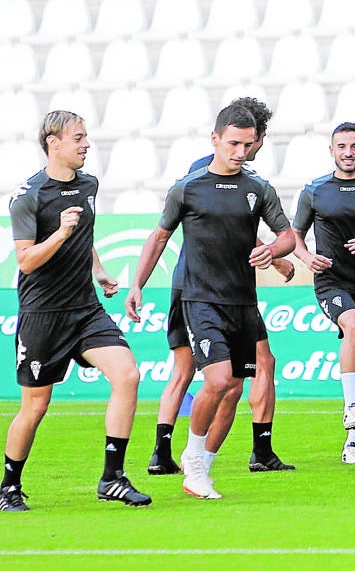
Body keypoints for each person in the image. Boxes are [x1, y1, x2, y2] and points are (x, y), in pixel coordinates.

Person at [125, 104, 296, 499]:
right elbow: (159, 237)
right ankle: (193, 461)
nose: (240, 151)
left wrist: (273, 249)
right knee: (217, 379)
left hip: (243, 302)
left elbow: (287, 235)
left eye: (247, 144)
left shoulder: (258, 189)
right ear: (215, 138)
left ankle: (202, 465)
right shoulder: (188, 187)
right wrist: (137, 285)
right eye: (233, 142)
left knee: (234, 387)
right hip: (200, 299)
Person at [2, 111, 150, 512]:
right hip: (43, 314)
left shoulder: (88, 184)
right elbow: (27, 260)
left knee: (128, 374)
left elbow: (84, 238)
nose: (86, 144)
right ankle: (9, 487)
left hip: (85, 309)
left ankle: (112, 478)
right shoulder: (28, 195)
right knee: (34, 407)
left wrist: (98, 270)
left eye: (86, 137)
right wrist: (61, 232)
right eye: (79, 138)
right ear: (54, 142)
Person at [291, 122, 355, 465]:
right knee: (354, 325)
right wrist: (307, 258)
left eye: (354, 146)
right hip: (331, 281)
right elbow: (295, 234)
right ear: (332, 151)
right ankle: (350, 405)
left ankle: (353, 444)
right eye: (342, 146)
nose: (348, 152)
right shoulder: (315, 190)